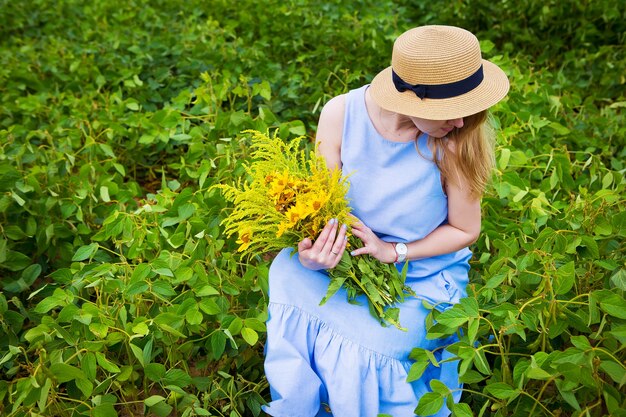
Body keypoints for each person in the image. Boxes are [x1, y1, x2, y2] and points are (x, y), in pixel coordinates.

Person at [262, 25, 509, 417]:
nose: (462, 122)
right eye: (450, 111)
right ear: (409, 99)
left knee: (375, 342)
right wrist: (315, 254)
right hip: (349, 256)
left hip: (420, 270)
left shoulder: (457, 138)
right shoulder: (341, 114)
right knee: (290, 274)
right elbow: (321, 208)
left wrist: (395, 251)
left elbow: (466, 230)